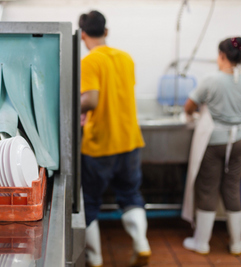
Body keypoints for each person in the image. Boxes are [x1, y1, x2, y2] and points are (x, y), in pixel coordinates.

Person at [79, 10, 151, 267]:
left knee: (89, 203)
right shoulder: (126, 58)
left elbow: (92, 99)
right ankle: (142, 245)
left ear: (83, 34)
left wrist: (73, 106)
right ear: (106, 32)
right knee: (131, 195)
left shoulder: (89, 61)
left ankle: (95, 259)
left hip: (100, 144)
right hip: (129, 141)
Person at [183, 37, 241, 255]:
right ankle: (236, 243)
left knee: (208, 188)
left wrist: (192, 115)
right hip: (239, 139)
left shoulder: (211, 79)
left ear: (222, 56)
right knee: (232, 187)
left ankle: (201, 242)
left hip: (214, 141)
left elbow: (189, 106)